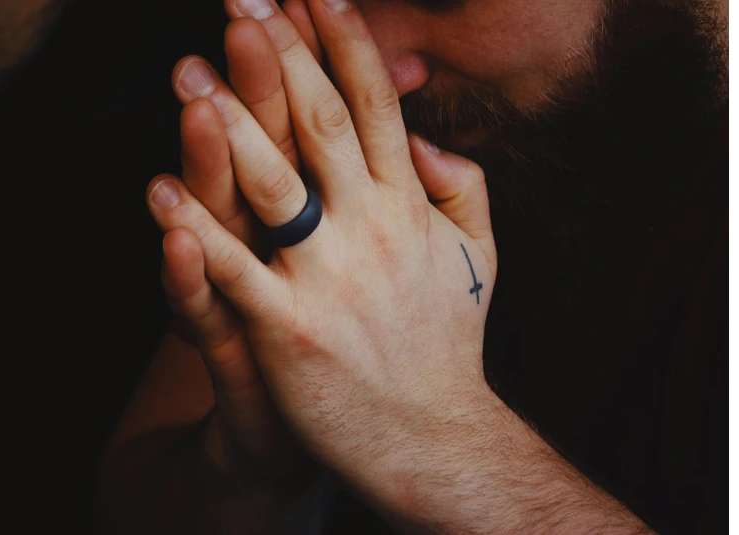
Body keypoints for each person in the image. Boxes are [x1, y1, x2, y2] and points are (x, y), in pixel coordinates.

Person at [93, 0, 732, 534]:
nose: (382, 69)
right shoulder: (342, 102)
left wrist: (437, 434)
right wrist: (253, 472)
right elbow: (127, 502)